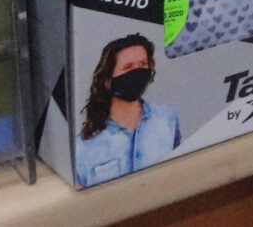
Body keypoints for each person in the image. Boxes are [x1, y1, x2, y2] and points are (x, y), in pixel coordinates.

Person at [72, 35, 180, 184]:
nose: (137, 73)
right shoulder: (81, 147)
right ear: (108, 79)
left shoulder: (167, 118)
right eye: (128, 67)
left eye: (143, 64)